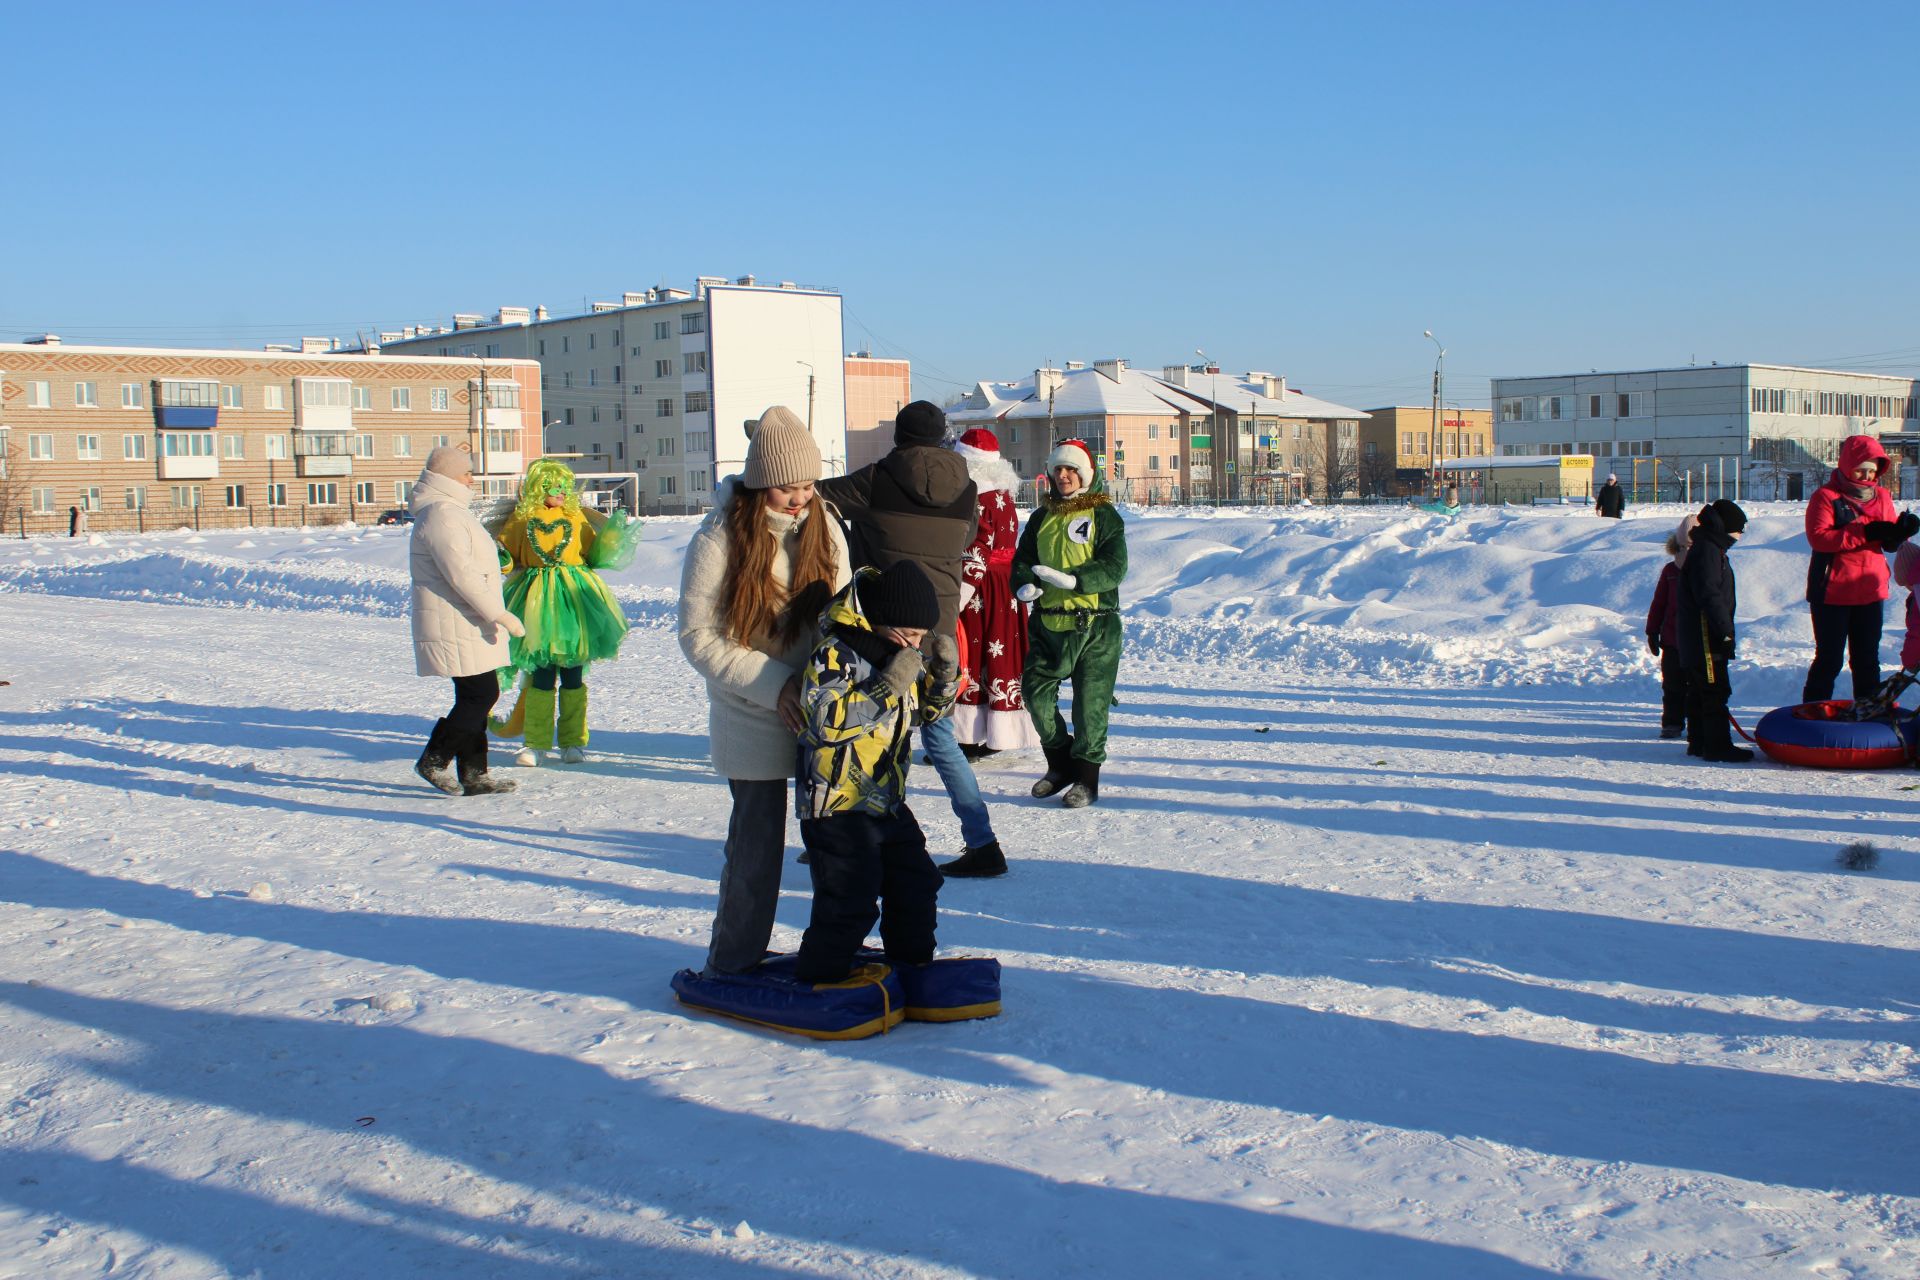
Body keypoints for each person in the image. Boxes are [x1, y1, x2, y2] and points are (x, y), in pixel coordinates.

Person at [678, 407, 850, 975]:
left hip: (821, 710)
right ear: (758, 483)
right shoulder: (720, 536)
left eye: (807, 485)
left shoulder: (826, 522)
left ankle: (829, 954)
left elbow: (848, 610)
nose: (799, 498)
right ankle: (732, 960)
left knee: (838, 849)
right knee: (756, 851)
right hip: (752, 710)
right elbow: (699, 636)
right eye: (786, 487)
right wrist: (777, 684)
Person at [814, 400, 1008, 879]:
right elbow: (964, 540)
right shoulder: (966, 487)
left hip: (882, 628)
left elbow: (816, 497)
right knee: (939, 736)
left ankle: (855, 831)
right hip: (939, 627)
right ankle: (982, 842)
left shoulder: (877, 477)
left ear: (898, 436)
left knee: (869, 729)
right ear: (943, 437)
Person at [792, 561, 954, 982]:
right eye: (911, 635)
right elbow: (825, 723)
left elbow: (926, 715)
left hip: (886, 802)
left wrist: (943, 678)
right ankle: (820, 978)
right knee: (851, 897)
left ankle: (912, 964)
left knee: (917, 883)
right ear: (879, 621)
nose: (915, 645)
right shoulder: (836, 652)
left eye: (922, 637)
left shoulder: (897, 654)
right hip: (836, 804)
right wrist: (885, 688)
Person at [492, 460, 636, 766]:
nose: (560, 492)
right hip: (535, 601)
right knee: (541, 672)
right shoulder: (523, 518)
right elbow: (507, 558)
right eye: (553, 486)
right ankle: (536, 742)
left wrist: (612, 538)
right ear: (539, 488)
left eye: (564, 486)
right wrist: (500, 555)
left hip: (574, 599)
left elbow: (593, 554)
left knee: (573, 674)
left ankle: (573, 741)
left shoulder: (574, 516)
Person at [1012, 438, 1129, 806]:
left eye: (1070, 469)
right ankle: (1059, 764)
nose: (1063, 476)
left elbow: (1115, 566)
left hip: (1095, 626)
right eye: (1058, 469)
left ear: (1085, 474)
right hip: (1047, 623)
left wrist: (1077, 580)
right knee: (1035, 695)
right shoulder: (1041, 517)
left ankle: (1087, 780)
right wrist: (1024, 584)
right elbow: (1022, 558)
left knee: (1089, 706)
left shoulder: (1104, 515)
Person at [407, 446, 523, 796]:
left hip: (465, 621)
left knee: (475, 695)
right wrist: (499, 613)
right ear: (446, 478)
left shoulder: (449, 511)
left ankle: (475, 774)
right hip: (457, 620)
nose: (472, 480)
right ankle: (435, 758)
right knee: (481, 694)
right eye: (466, 474)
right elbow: (462, 576)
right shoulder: (442, 514)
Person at [1801, 434, 1919, 704]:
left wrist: (1899, 532)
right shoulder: (1826, 497)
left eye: (1872, 471)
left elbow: (1887, 542)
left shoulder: (1882, 496)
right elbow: (1819, 538)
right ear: (1846, 465)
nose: (1866, 476)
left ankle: (1869, 709)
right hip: (1833, 592)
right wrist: (1864, 531)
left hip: (1870, 590)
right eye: (1860, 470)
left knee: (1867, 658)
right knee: (1829, 658)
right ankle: (1812, 710)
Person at [949, 427, 1041, 761]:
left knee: (971, 657)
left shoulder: (976, 497)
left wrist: (959, 592)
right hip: (1006, 586)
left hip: (980, 588)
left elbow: (979, 548)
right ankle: (999, 735)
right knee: (1000, 658)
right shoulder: (1004, 494)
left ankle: (968, 740)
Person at [1677, 499, 1751, 764]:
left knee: (1700, 689)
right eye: (1740, 528)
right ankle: (1717, 745)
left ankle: (1699, 742)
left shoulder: (1709, 548)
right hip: (1706, 635)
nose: (1741, 534)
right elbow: (1710, 595)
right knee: (1714, 689)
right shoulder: (1709, 550)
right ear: (1727, 526)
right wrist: (1725, 631)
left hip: (1700, 634)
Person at [1644, 513, 1698, 739]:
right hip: (1673, 638)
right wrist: (1653, 630)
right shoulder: (1670, 570)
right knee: (1673, 684)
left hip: (1696, 638)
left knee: (1695, 685)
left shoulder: (1706, 565)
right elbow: (1659, 603)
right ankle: (1673, 722)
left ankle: (1696, 723)